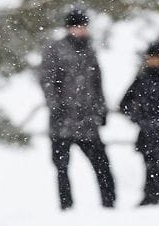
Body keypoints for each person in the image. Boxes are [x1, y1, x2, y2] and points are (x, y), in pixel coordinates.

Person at [39, 7, 116, 210]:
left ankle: (110, 204)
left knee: (102, 164)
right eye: (79, 27)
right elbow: (47, 81)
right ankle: (67, 206)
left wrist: (102, 109)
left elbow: (98, 84)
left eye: (84, 26)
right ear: (69, 28)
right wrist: (56, 108)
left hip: (88, 122)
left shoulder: (90, 52)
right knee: (62, 167)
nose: (82, 30)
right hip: (62, 121)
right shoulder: (54, 50)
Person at [120, 43, 159, 206]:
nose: (154, 61)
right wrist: (140, 119)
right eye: (151, 58)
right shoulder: (141, 80)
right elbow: (124, 104)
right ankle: (151, 195)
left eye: (156, 58)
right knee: (151, 165)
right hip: (148, 131)